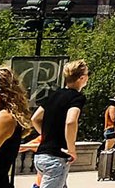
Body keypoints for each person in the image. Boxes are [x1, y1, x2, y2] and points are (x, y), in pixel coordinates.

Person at [31, 59, 89, 188]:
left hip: (41, 155)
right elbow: (70, 121)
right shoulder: (77, 98)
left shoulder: (53, 95)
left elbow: (35, 118)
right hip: (56, 157)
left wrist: (47, 134)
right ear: (82, 78)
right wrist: (71, 149)